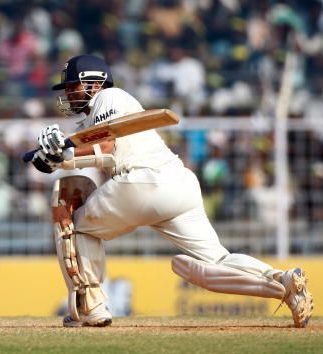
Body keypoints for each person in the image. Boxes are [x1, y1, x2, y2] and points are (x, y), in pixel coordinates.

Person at [31, 54, 314, 328]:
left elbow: (105, 146)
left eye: (72, 86)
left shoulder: (110, 97)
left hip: (141, 181)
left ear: (94, 82)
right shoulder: (89, 120)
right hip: (179, 186)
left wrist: (64, 154)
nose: (68, 93)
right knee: (218, 261)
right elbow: (102, 153)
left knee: (75, 226)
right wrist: (57, 157)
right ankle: (284, 282)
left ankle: (91, 307)